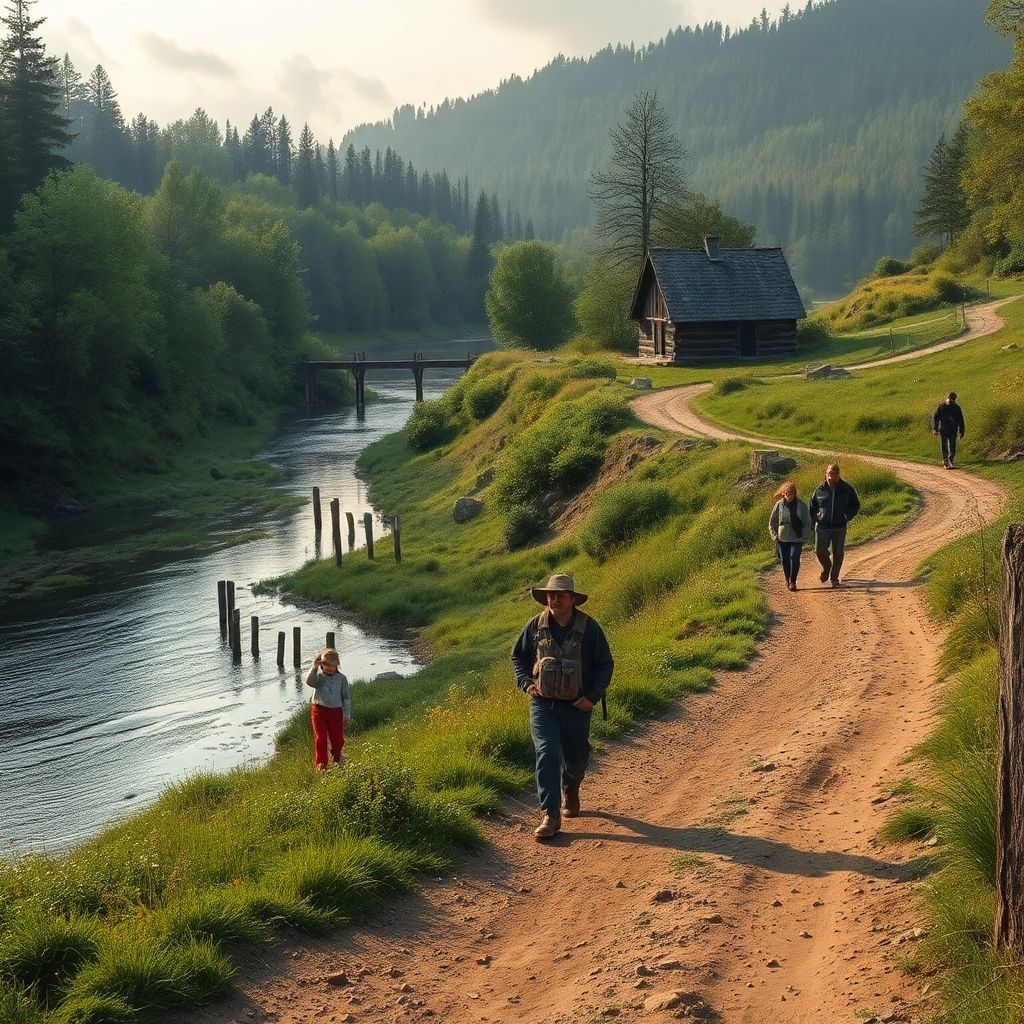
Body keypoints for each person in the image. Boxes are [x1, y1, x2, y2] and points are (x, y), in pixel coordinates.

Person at [512, 574, 614, 841]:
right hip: (542, 705)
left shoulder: (589, 628)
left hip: (577, 707)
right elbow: (518, 657)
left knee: (577, 758)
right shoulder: (535, 626)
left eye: (560, 595)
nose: (554, 599)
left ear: (572, 599)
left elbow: (605, 664)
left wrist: (592, 696)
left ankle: (572, 787)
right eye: (550, 595)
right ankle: (551, 814)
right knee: (547, 752)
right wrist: (526, 683)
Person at [808, 462, 860, 588]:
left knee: (838, 553)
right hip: (822, 527)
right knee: (819, 551)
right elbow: (812, 506)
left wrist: (846, 516)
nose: (830, 477)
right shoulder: (819, 489)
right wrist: (814, 520)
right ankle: (826, 567)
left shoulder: (847, 489)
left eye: (832, 475)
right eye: (828, 474)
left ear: (838, 475)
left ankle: (834, 578)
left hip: (839, 527)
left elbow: (855, 505)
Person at [305, 647, 351, 770]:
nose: (331, 669)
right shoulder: (319, 677)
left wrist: (347, 715)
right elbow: (309, 682)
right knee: (320, 739)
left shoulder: (341, 679)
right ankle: (321, 765)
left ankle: (337, 756)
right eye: (328, 666)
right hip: (319, 710)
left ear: (337, 665)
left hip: (336, 712)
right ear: (322, 664)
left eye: (334, 666)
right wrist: (314, 667)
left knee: (338, 740)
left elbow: (346, 698)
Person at [769, 481, 810, 592]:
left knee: (794, 557)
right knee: (784, 560)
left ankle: (793, 581)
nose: (789, 497)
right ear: (783, 494)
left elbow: (807, 522)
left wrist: (804, 536)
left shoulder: (801, 505)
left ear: (794, 494)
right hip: (782, 537)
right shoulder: (779, 505)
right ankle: (787, 578)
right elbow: (772, 522)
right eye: (787, 494)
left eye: (791, 494)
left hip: (797, 536)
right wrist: (774, 536)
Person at [932, 391, 966, 469]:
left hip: (953, 430)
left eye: (954, 400)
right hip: (943, 430)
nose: (952, 401)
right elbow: (936, 418)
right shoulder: (941, 406)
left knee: (952, 446)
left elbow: (961, 420)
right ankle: (946, 461)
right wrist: (935, 429)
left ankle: (950, 460)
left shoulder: (957, 408)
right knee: (944, 446)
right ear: (949, 398)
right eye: (951, 399)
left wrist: (962, 431)